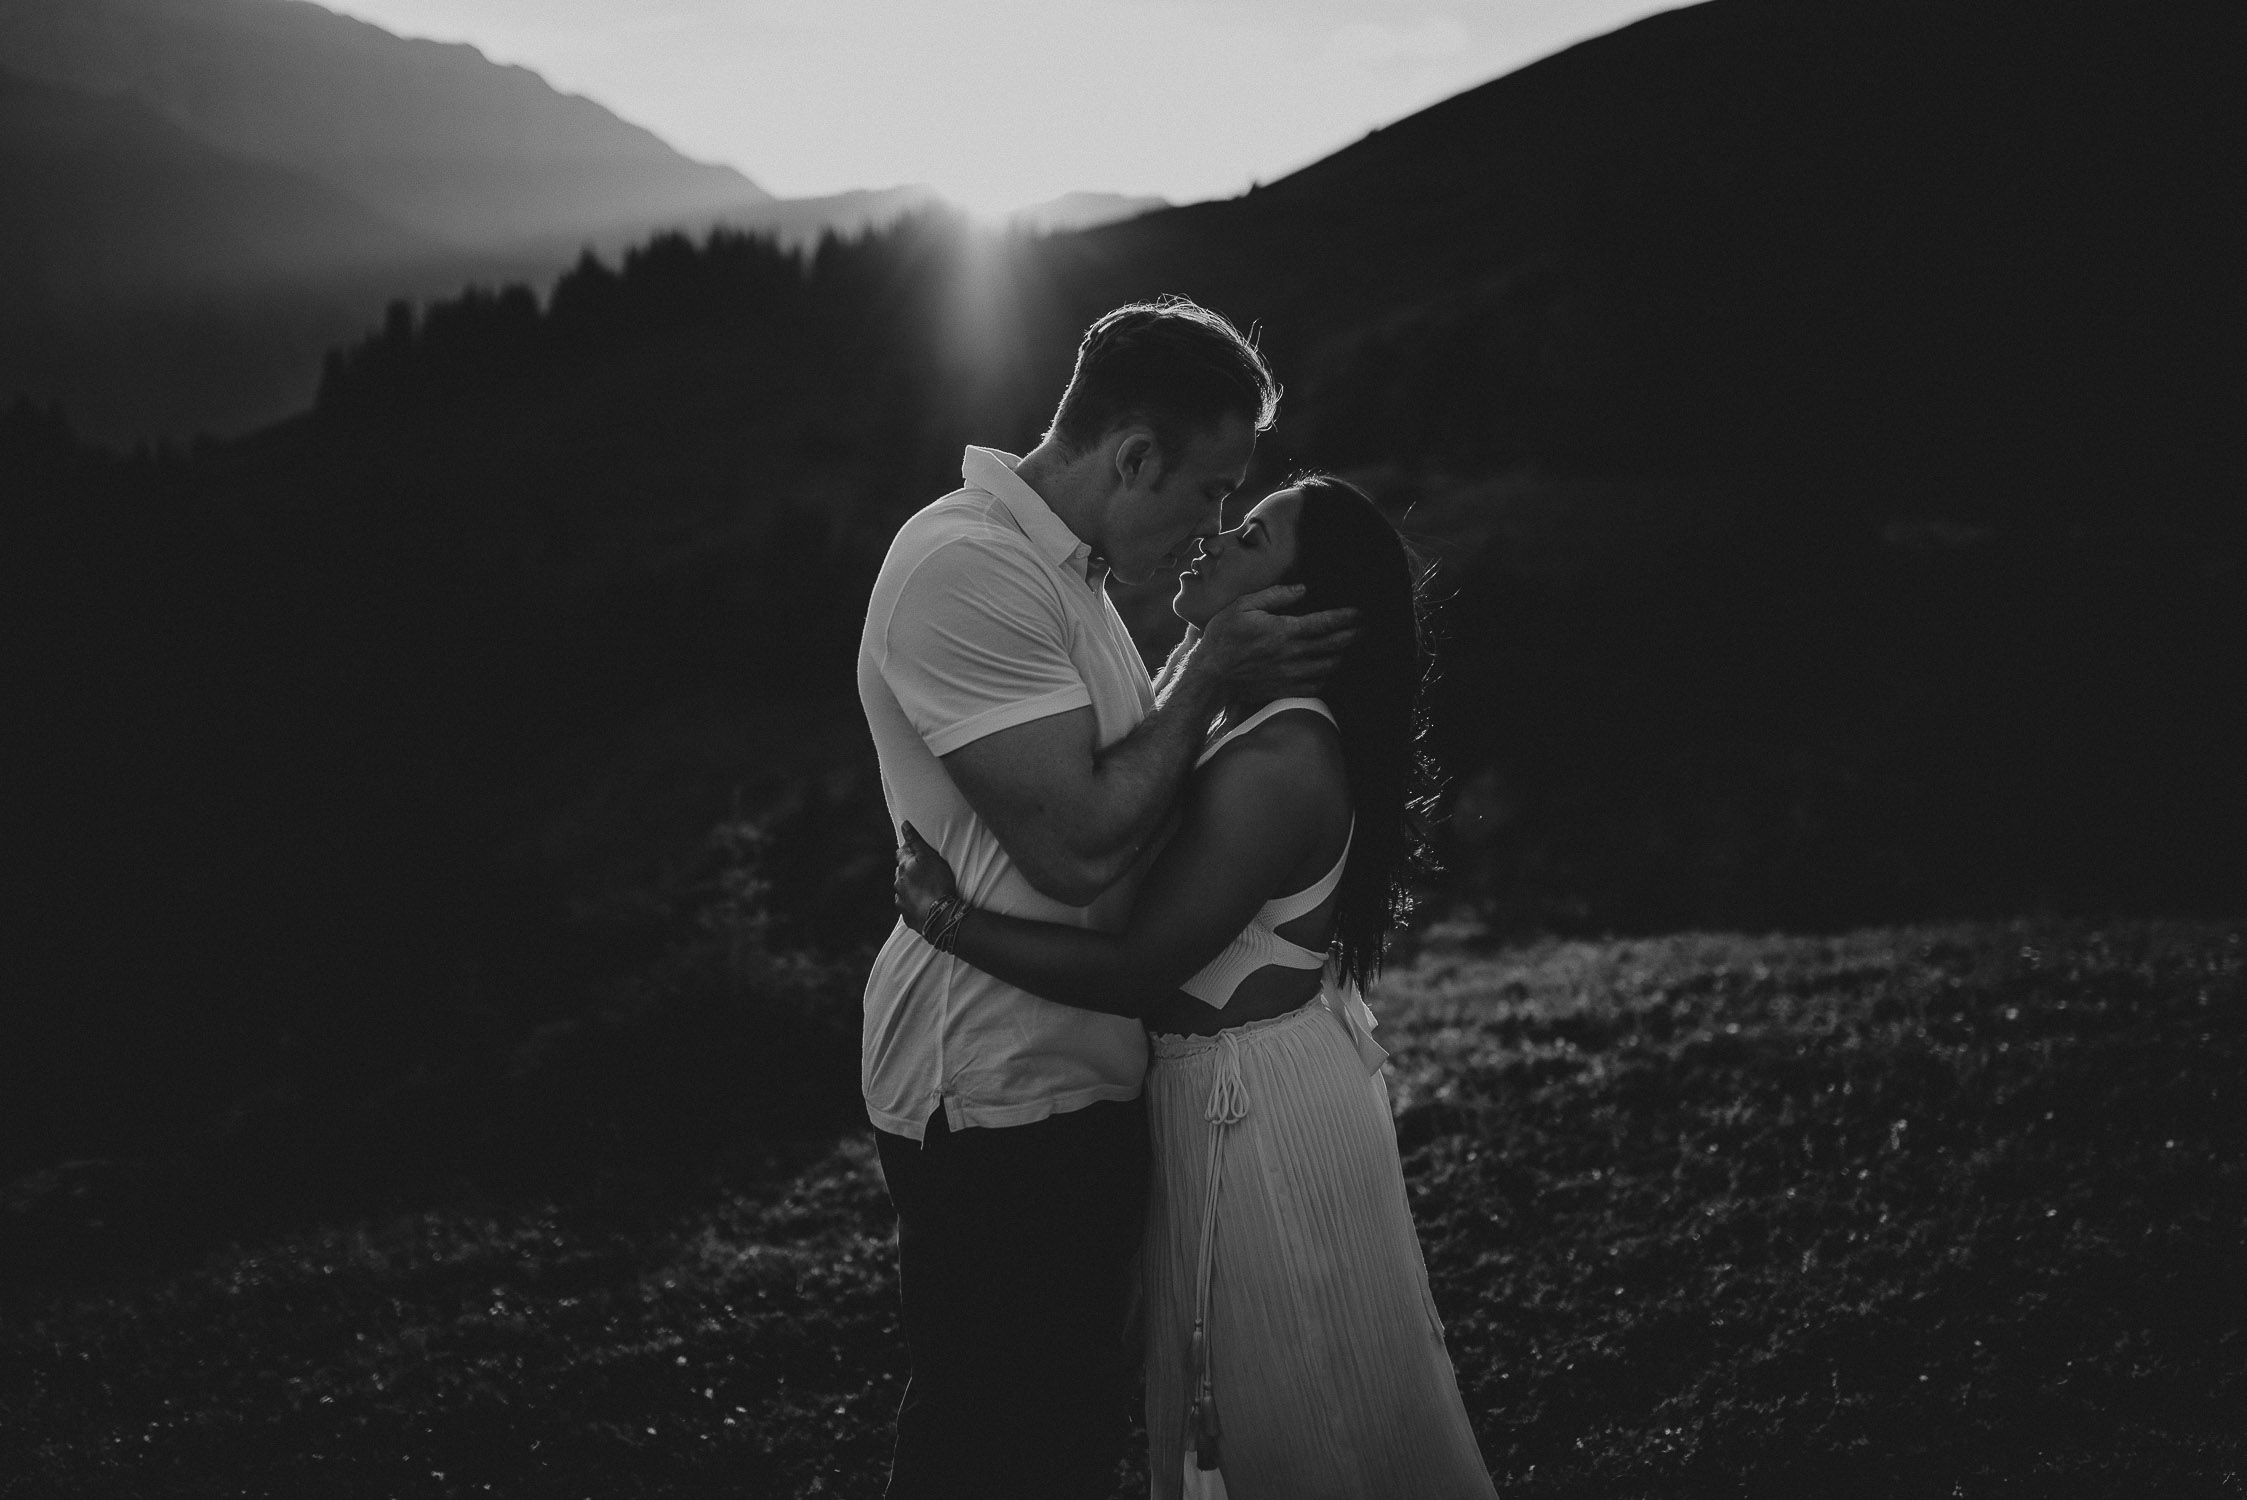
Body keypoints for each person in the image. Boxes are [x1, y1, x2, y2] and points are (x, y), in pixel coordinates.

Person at [894, 474, 1500, 1500]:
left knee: (1305, 1420)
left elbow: (1136, 968)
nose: (1214, 538)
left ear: (1295, 603)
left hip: (1255, 1121)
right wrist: (1210, 663)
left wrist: (948, 919)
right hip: (1226, 1101)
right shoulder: (1252, 721)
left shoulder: (1284, 760)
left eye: (1251, 536)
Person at [856, 295, 1359, 1500]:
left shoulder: (1066, 577)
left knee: (1054, 1435)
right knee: (991, 1445)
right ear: (1133, 456)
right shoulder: (965, 566)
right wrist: (1212, 675)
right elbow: (1077, 853)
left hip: (1073, 1076)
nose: (1216, 523)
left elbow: (1126, 814)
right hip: (993, 1089)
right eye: (1208, 489)